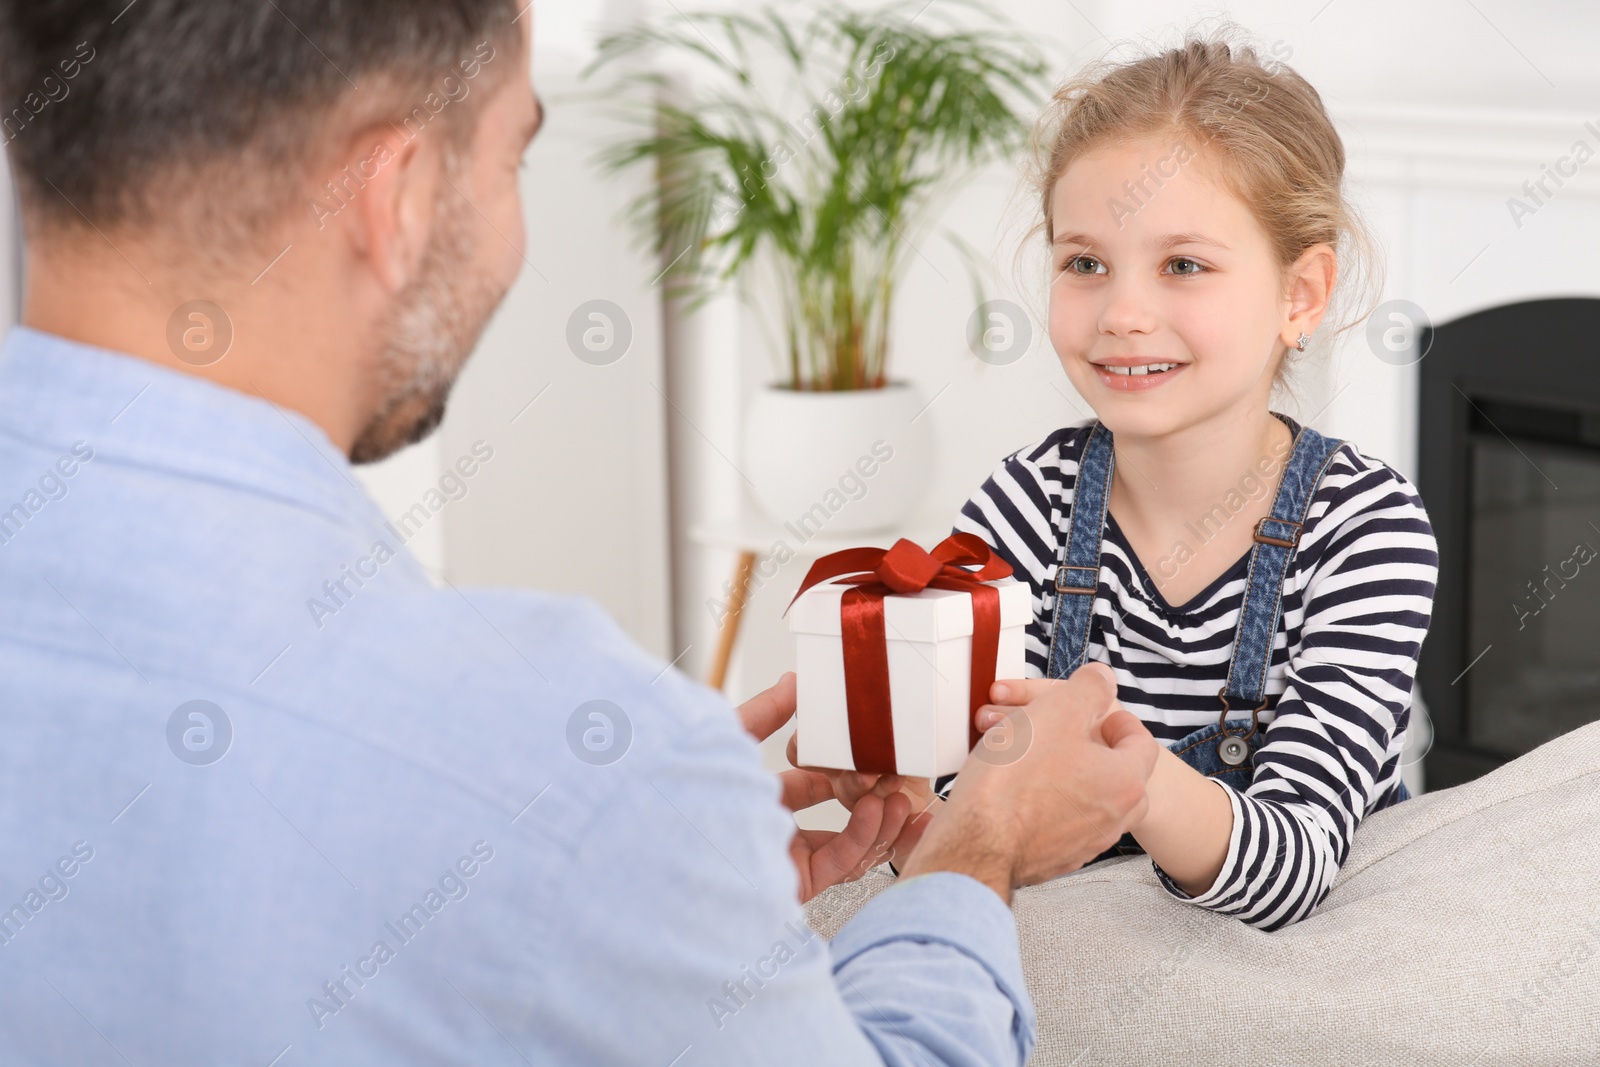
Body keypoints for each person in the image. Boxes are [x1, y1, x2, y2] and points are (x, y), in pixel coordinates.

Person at [0, 3, 1159, 1064]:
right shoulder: (552, 755)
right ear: (393, 201)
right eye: (513, 156)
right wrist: (977, 849)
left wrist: (651, 878)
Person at [919, 34, 1440, 932]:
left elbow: (1296, 867)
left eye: (1184, 265)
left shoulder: (1368, 529)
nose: (1123, 312)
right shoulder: (1023, 505)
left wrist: (1117, 770)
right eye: (1085, 263)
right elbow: (956, 806)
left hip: (1300, 976)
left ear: (1301, 295)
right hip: (1082, 951)